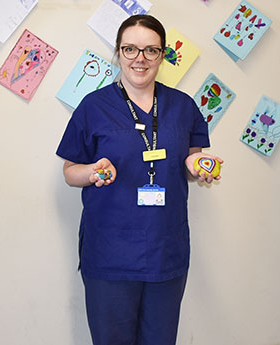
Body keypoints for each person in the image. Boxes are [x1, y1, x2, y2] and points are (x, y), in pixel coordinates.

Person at [56, 14, 222, 345]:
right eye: (130, 49)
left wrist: (199, 166)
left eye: (151, 50)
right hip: (110, 253)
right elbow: (70, 172)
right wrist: (91, 172)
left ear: (163, 55)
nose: (140, 59)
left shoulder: (183, 106)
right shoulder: (93, 107)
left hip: (166, 249)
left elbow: (193, 160)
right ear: (118, 53)